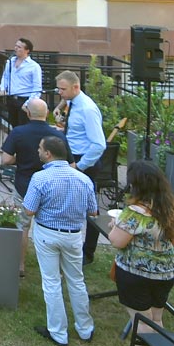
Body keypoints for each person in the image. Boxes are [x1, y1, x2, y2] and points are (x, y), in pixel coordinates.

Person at [22, 135, 97, 346]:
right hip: (73, 235)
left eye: (39, 148)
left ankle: (58, 332)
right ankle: (85, 328)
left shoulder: (40, 178)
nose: (37, 151)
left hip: (47, 233)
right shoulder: (83, 179)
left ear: (48, 154)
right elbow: (93, 211)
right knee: (76, 280)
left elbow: (28, 210)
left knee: (52, 282)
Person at [107, 160, 174, 346]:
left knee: (141, 324)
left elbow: (117, 241)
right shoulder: (169, 207)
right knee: (156, 319)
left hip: (137, 275)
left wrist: (115, 225)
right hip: (166, 273)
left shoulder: (135, 212)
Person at [54, 70, 107, 263]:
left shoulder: (87, 109)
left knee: (90, 209)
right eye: (58, 89)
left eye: (63, 89)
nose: (60, 93)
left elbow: (99, 144)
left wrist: (80, 166)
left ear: (76, 87)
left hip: (85, 162)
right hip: (72, 157)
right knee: (68, 203)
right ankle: (67, 245)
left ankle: (88, 251)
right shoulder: (72, 102)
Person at [1, 96, 57, 275]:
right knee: (50, 227)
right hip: (50, 187)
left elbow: (6, 159)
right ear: (47, 113)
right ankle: (52, 267)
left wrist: (21, 159)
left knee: (22, 226)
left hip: (24, 185)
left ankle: (20, 265)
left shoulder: (18, 132)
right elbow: (69, 164)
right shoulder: (57, 134)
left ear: (27, 113)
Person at [0, 37, 43, 127]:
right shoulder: (10, 62)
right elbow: (5, 77)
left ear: (27, 50)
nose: (16, 48)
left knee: (23, 126)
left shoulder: (34, 66)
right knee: (13, 125)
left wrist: (27, 104)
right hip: (11, 98)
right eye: (15, 46)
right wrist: (3, 88)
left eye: (19, 47)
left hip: (24, 99)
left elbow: (37, 88)